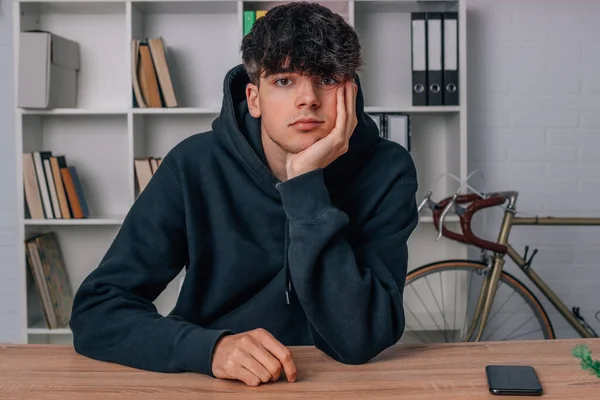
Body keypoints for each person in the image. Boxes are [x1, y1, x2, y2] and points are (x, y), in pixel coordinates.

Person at [69, 1, 419, 388]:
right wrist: (208, 349)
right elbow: (97, 310)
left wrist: (305, 186)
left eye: (326, 79)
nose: (309, 99)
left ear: (350, 92)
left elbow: (363, 339)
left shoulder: (387, 169)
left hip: (340, 384)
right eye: (284, 81)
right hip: (213, 383)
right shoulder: (194, 165)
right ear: (254, 98)